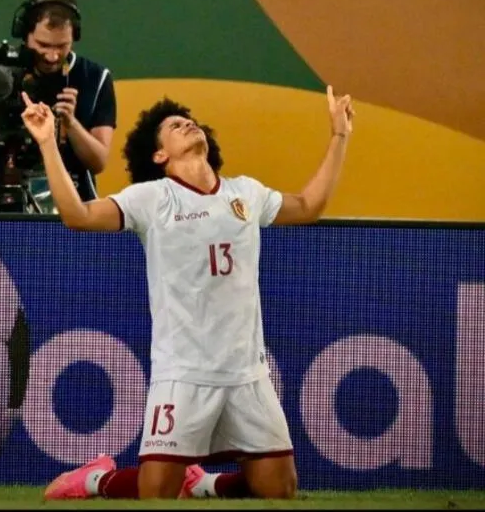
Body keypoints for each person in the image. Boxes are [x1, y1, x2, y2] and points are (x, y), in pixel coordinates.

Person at [21, 86, 355, 500]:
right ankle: (94, 479)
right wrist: (49, 142)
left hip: (246, 374)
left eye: (189, 120)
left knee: (278, 490)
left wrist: (340, 135)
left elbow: (308, 206)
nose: (187, 123)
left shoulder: (245, 193)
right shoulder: (152, 198)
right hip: (182, 371)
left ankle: (205, 485)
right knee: (156, 492)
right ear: (159, 155)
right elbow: (78, 216)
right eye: (174, 126)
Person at [0, 0, 116, 212]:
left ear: (74, 37)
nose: (52, 56)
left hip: (76, 213)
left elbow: (98, 162)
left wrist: (71, 123)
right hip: (5, 211)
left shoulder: (95, 78)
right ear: (25, 35)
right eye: (43, 45)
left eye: (62, 46)